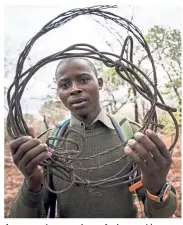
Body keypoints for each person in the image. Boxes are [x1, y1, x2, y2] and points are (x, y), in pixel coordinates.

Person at [9, 58, 177, 218]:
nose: (74, 89)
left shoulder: (132, 134)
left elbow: (161, 214)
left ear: (100, 83)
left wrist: (157, 188)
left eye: (83, 79)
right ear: (59, 92)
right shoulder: (48, 143)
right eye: (64, 84)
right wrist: (31, 183)